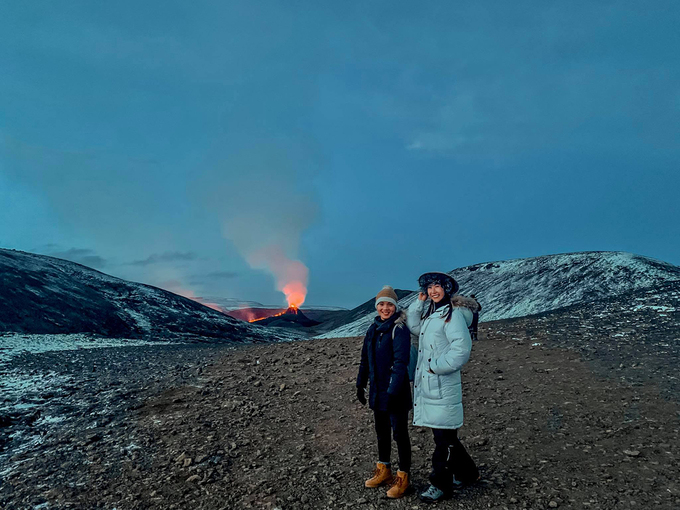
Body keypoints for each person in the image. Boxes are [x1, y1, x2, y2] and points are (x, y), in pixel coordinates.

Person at [406, 272, 479, 503]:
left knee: (443, 440)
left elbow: (461, 349)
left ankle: (440, 485)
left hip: (442, 384)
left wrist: (436, 367)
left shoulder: (453, 315)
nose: (432, 291)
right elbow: (415, 327)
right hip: (434, 386)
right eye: (429, 288)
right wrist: (418, 304)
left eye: (437, 287)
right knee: (447, 436)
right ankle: (468, 473)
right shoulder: (433, 313)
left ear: (447, 289)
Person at [356, 285, 413, 499]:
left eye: (389, 304)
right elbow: (365, 359)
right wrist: (360, 383)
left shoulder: (399, 329)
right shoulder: (373, 328)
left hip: (395, 394)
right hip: (377, 392)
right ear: (376, 306)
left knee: (400, 435)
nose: (385, 308)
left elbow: (401, 362)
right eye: (381, 304)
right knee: (382, 433)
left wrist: (393, 390)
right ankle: (385, 470)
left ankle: (404, 478)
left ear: (395, 307)